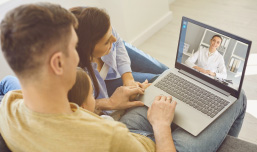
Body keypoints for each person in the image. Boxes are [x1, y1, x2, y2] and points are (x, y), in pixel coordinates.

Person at [0, 3, 177, 152]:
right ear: (58, 63)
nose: (79, 58)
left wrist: (111, 100)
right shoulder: (110, 138)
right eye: (72, 48)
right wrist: (161, 125)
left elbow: (6, 84)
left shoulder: (8, 106)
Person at [69, 7, 169, 114]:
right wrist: (110, 102)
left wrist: (128, 79)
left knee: (166, 72)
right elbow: (82, 105)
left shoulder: (99, 27)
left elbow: (118, 43)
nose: (114, 39)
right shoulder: (78, 75)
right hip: (104, 84)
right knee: (157, 82)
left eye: (111, 32)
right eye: (107, 41)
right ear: (88, 49)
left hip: (116, 60)